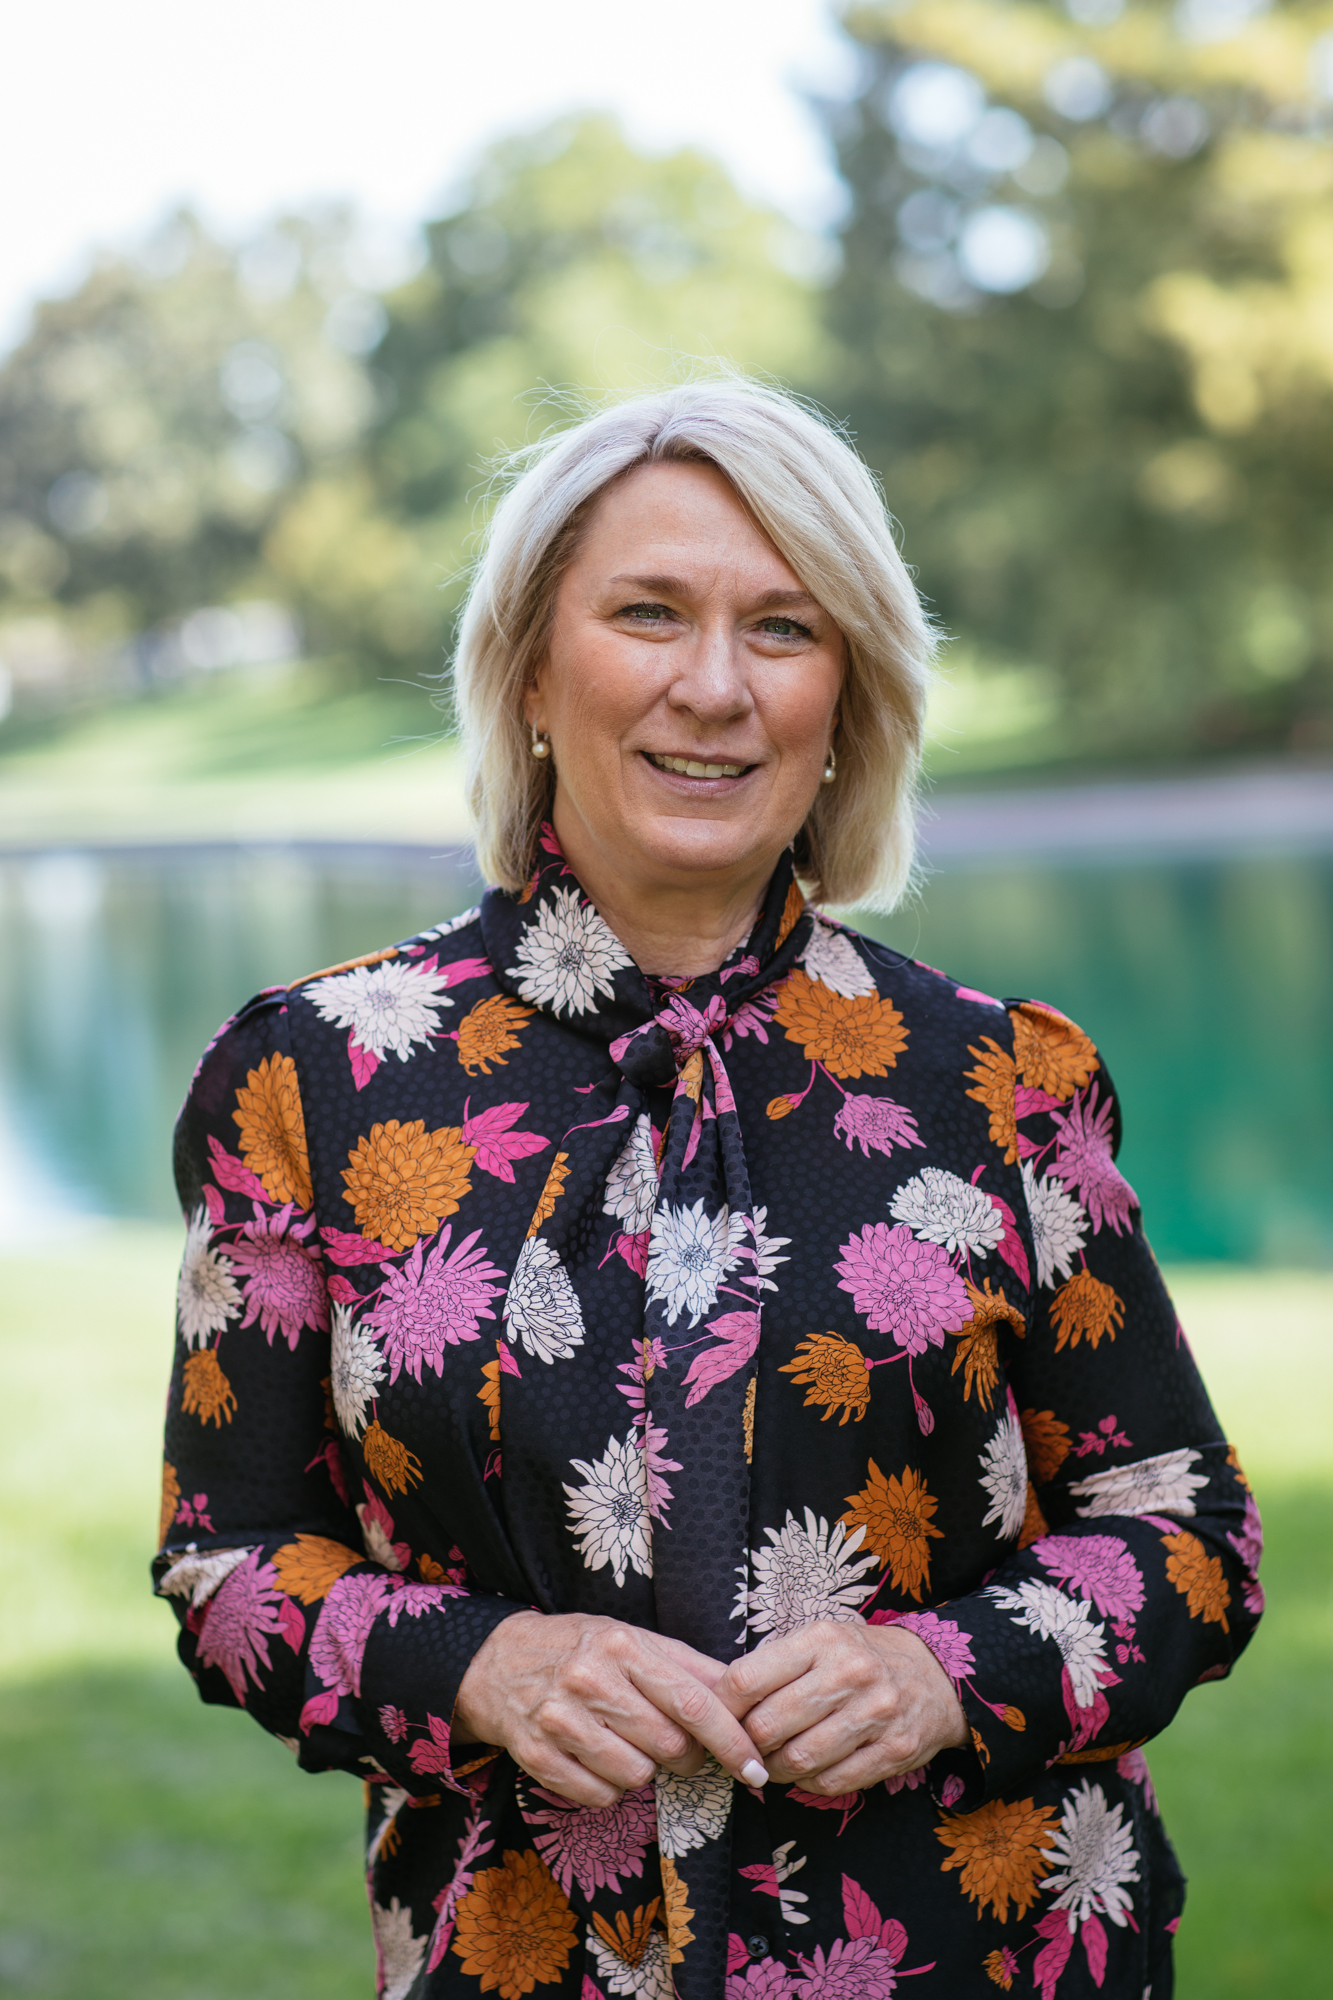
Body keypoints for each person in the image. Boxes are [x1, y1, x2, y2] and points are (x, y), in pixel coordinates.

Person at [155, 377, 1262, 2000]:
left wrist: (945, 1674)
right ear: (531, 669)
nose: (716, 687)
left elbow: (1185, 1529)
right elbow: (230, 1558)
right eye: (648, 613)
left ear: (847, 697)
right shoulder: (309, 1080)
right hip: (521, 1960)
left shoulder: (998, 1078)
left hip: (993, 1955)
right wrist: (479, 1666)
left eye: (784, 629)